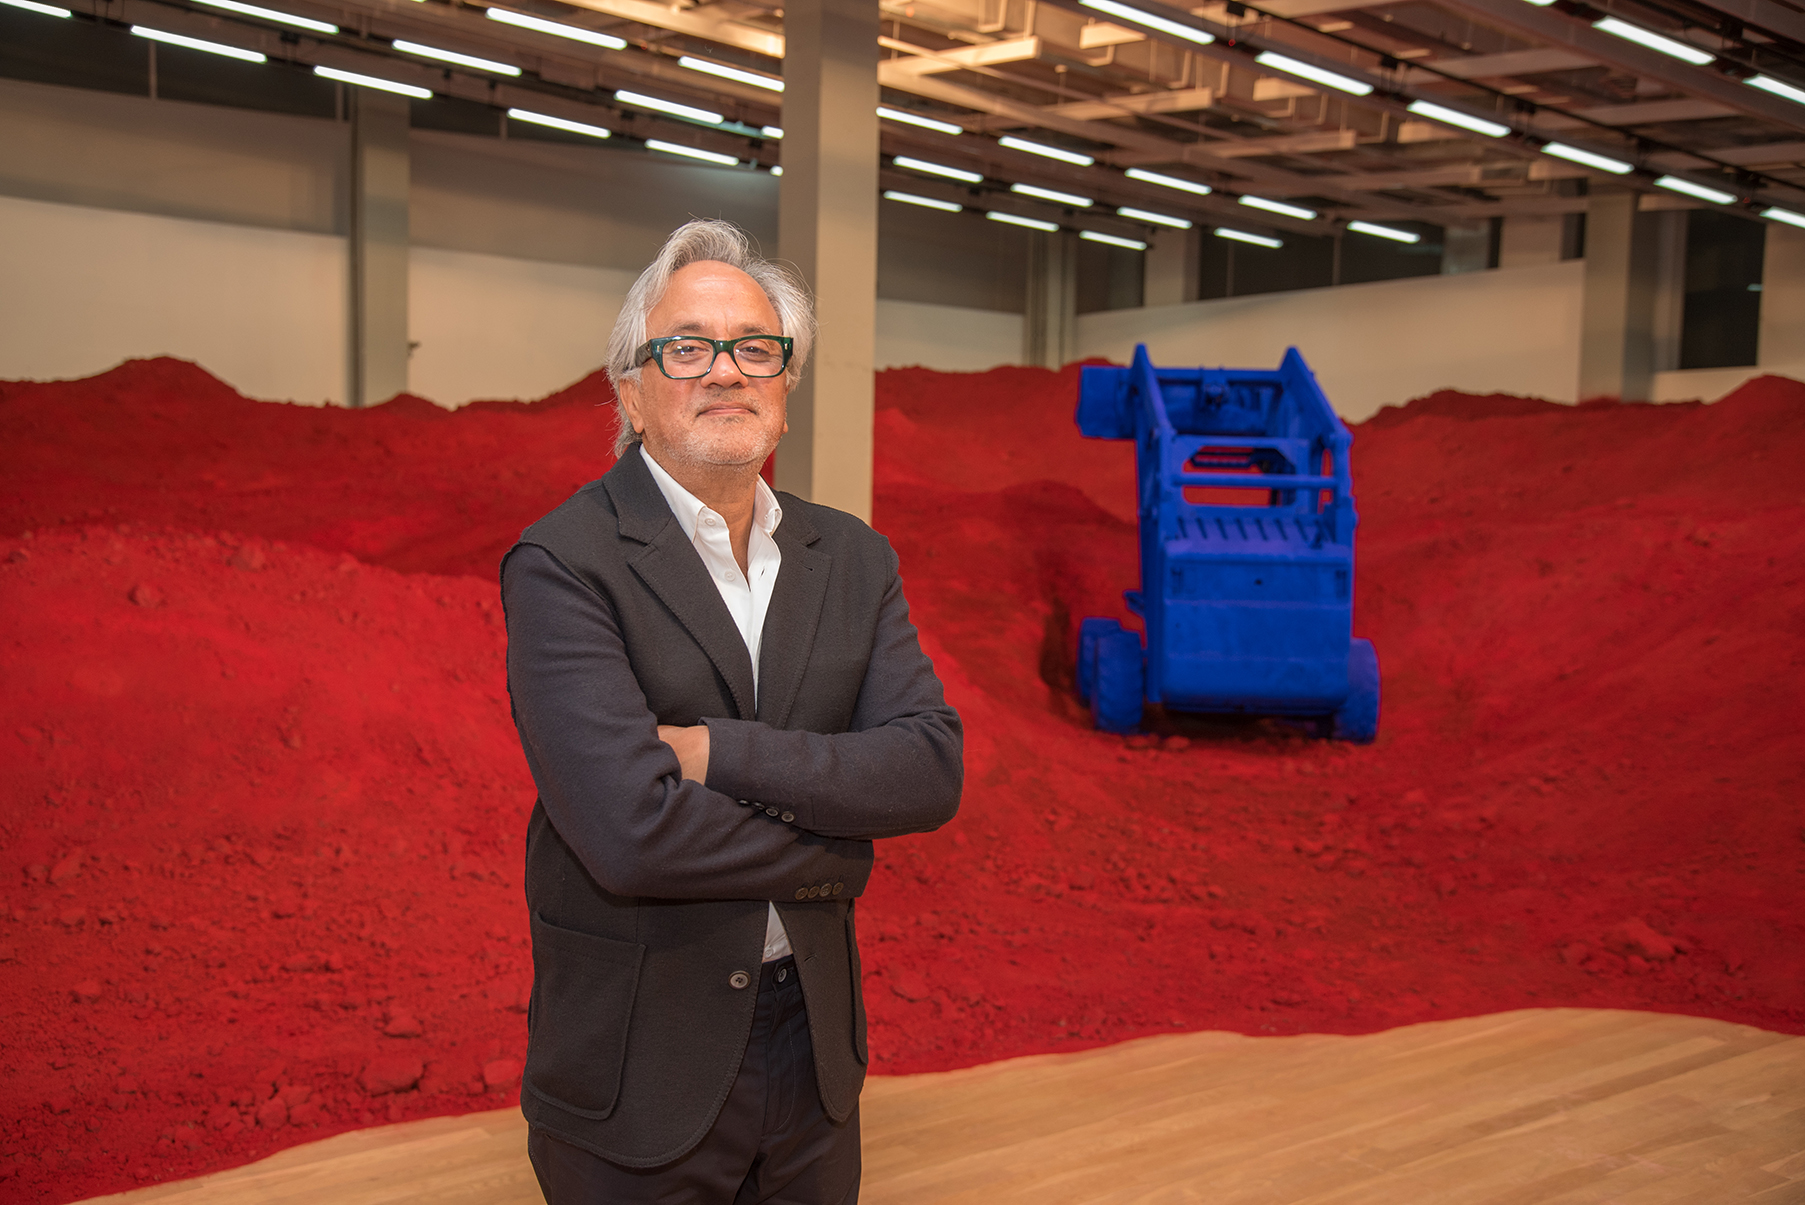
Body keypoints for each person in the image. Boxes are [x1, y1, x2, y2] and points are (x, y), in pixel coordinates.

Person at [500, 218, 963, 1204]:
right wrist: (839, 851)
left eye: (756, 349)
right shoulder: (563, 562)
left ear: (785, 390)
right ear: (629, 387)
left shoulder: (853, 560)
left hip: (812, 1059)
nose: (726, 371)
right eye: (688, 348)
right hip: (638, 1063)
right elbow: (630, 831)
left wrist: (718, 750)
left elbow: (927, 766)